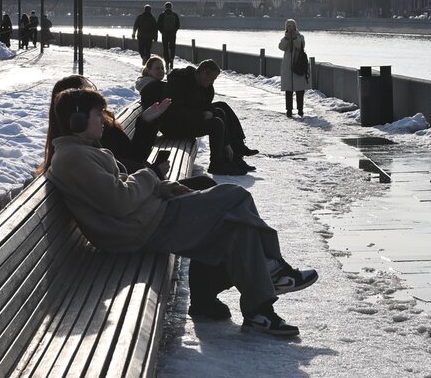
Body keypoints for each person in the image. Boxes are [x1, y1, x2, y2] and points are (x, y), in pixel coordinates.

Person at [40, 87, 318, 335]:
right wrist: (150, 176)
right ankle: (274, 268)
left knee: (237, 229)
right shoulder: (73, 158)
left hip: (146, 218)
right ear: (77, 121)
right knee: (234, 195)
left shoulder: (81, 151)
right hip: (138, 228)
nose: (103, 119)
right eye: (97, 114)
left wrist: (164, 187)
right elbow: (120, 200)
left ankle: (260, 313)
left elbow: (120, 189)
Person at [161, 59, 258, 176]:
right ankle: (216, 164)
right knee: (215, 124)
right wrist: (201, 115)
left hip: (189, 121)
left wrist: (227, 143)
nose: (212, 82)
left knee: (221, 108)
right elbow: (174, 110)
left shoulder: (206, 87)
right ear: (202, 73)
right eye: (211, 78)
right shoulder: (180, 82)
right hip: (173, 126)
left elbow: (208, 107)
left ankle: (236, 152)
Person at [279, 19, 311, 117]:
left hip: (298, 67)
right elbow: (281, 47)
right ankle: (289, 110)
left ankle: (300, 110)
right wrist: (287, 38)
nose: (290, 28)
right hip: (288, 68)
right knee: (288, 91)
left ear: (295, 27)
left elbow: (300, 46)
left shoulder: (300, 37)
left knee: (300, 91)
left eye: (292, 26)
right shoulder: (285, 38)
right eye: (288, 26)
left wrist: (294, 38)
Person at [156, 1, 181, 70]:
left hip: (165, 34)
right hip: (172, 34)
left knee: (165, 48)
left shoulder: (162, 15)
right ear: (171, 7)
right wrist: (174, 31)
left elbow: (158, 25)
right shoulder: (175, 15)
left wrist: (162, 32)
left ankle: (167, 62)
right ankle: (172, 59)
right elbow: (178, 25)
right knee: (172, 48)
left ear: (165, 7)